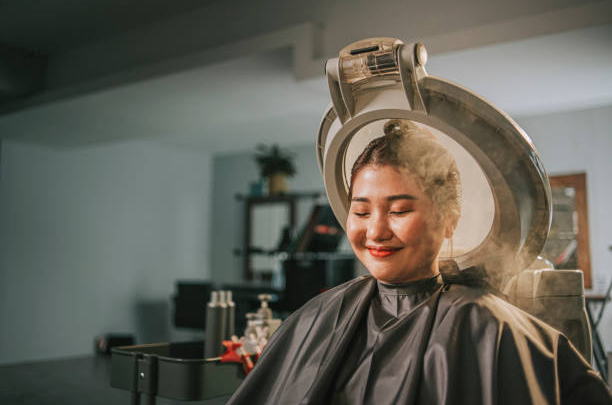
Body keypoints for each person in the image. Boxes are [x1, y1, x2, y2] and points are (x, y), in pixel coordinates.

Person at [228, 120, 611, 404]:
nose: (375, 231)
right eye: (361, 212)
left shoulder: (487, 328)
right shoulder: (318, 316)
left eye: (399, 210)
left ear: (449, 219)